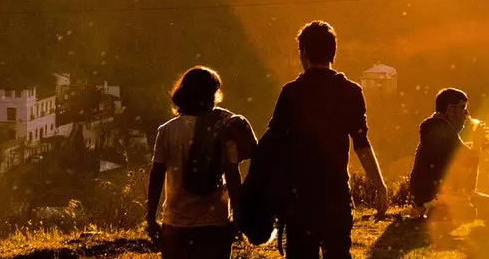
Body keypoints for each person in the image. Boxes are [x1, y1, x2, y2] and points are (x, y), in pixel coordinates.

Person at [265, 21, 387, 259]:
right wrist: (379, 185)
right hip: (335, 194)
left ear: (303, 54)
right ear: (333, 53)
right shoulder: (350, 91)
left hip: (299, 197)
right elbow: (361, 143)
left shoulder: (291, 92)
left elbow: (273, 144)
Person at [147, 67, 256, 259]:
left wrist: (151, 217)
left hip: (176, 223)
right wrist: (238, 215)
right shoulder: (223, 128)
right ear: (213, 95)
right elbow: (232, 175)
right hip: (214, 222)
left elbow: (157, 175)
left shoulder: (167, 131)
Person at [409, 87, 489, 224]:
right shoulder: (442, 130)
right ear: (450, 110)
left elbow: (459, 152)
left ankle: (427, 210)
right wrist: (478, 143)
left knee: (488, 204)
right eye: (463, 108)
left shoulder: (438, 128)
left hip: (427, 197)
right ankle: (433, 212)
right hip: (436, 198)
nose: (467, 114)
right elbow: (469, 173)